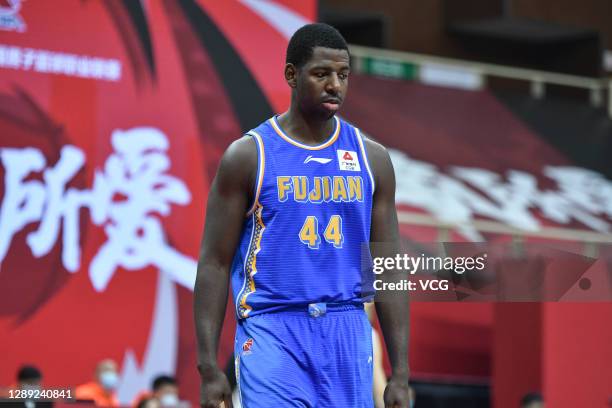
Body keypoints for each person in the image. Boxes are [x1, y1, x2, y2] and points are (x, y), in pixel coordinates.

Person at [194, 23, 410, 408]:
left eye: (343, 75)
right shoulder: (249, 156)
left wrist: (401, 373)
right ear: (292, 75)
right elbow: (214, 262)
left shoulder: (371, 159)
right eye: (321, 73)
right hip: (273, 326)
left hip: (347, 327)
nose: (335, 85)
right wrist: (209, 368)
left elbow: (389, 268)